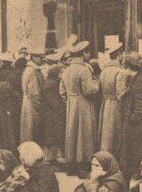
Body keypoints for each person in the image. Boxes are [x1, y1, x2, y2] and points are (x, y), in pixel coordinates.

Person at [61, 41, 101, 178]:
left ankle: (71, 165)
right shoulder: (84, 69)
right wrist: (97, 82)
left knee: (72, 134)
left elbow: (61, 91)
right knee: (84, 134)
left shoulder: (66, 70)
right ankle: (83, 166)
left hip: (71, 104)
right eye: (88, 52)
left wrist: (69, 100)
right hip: (84, 104)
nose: (89, 54)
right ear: (84, 53)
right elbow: (89, 90)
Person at [118, 53, 142, 182]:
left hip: (140, 124)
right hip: (141, 123)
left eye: (124, 68)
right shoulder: (138, 79)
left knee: (137, 151)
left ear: (129, 68)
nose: (123, 71)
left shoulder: (140, 82)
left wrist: (131, 120)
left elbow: (141, 108)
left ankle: (136, 177)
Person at [97, 44, 125, 156]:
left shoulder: (104, 70)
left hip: (105, 104)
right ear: (119, 55)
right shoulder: (120, 71)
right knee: (114, 132)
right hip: (115, 104)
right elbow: (120, 92)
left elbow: (99, 88)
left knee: (105, 134)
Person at [42, 58, 66, 165]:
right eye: (60, 72)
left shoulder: (53, 82)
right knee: (53, 136)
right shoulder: (51, 85)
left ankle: (54, 159)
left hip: (53, 114)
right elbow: (54, 103)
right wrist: (63, 110)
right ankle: (52, 160)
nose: (62, 73)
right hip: (52, 116)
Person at [20, 50, 46, 145]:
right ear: (34, 57)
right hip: (32, 106)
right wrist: (40, 106)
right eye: (40, 57)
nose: (41, 59)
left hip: (28, 103)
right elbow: (35, 93)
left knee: (28, 130)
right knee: (32, 131)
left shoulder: (28, 69)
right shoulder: (32, 71)